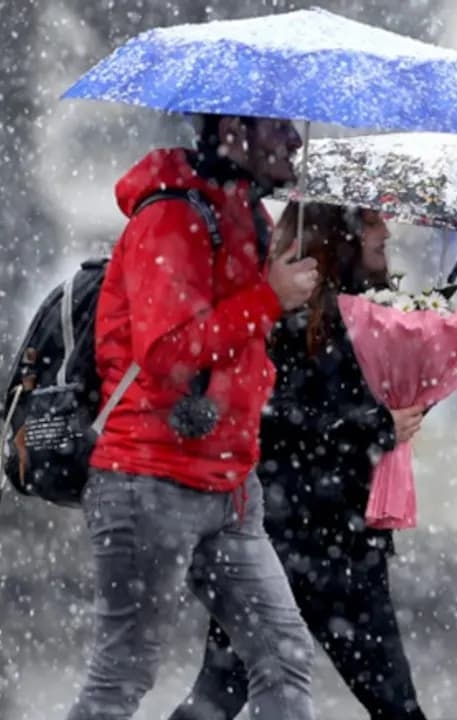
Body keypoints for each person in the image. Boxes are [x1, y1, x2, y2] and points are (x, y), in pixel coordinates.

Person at [66, 114, 320, 720]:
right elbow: (166, 352)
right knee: (122, 674)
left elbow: (243, 345)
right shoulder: (172, 217)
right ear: (234, 128)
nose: (295, 140)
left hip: (230, 485)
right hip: (148, 478)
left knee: (284, 657)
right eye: (278, 127)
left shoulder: (249, 218)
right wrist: (268, 298)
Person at [169, 201, 431, 720]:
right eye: (373, 220)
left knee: (220, 697)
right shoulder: (283, 320)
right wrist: (377, 425)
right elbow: (274, 422)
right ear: (341, 234)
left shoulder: (371, 316)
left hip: (336, 541)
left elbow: (349, 415)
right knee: (220, 695)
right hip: (290, 542)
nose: (386, 231)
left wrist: (414, 394)